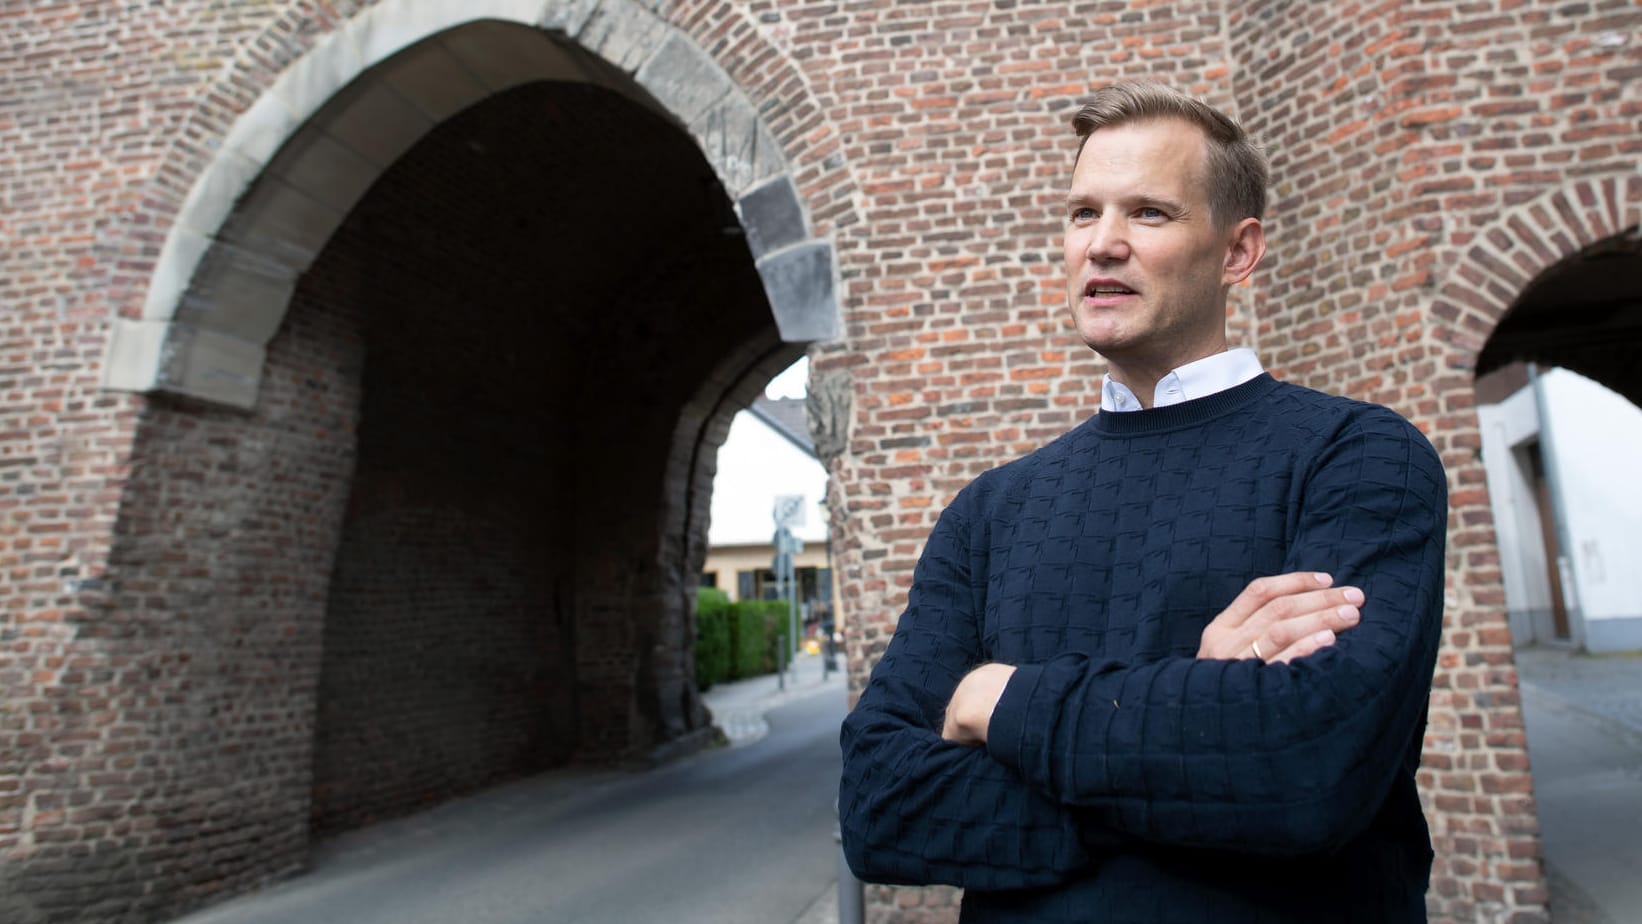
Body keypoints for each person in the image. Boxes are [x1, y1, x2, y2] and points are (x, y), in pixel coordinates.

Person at [837, 82, 1446, 922]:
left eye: (1150, 214)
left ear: (1238, 252)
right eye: (1083, 213)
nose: (1104, 244)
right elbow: (878, 806)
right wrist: (1197, 720)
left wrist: (993, 701)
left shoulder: (1358, 457)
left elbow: (1314, 766)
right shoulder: (989, 512)